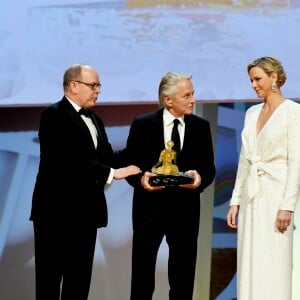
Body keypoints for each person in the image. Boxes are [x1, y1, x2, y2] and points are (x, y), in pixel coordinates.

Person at [29, 64, 141, 300]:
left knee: (78, 285)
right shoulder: (53, 115)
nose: (98, 91)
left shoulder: (95, 119)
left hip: (86, 215)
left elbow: (107, 158)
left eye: (98, 85)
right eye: (93, 85)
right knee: (49, 284)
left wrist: (139, 147)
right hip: (55, 215)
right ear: (73, 86)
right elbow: (69, 161)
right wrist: (112, 174)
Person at [124, 71, 216, 300]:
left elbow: (209, 168)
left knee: (183, 279)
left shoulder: (201, 127)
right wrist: (141, 180)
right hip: (149, 210)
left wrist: (199, 179)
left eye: (192, 94)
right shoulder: (143, 124)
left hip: (186, 212)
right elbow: (131, 165)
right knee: (142, 279)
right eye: (186, 96)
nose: (193, 100)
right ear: (168, 99)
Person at [227, 56, 300, 300]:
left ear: (274, 77)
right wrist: (235, 199)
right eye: (251, 80)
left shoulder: (293, 112)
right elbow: (246, 160)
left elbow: (296, 162)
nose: (253, 85)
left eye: (258, 79)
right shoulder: (251, 112)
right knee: (250, 258)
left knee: (274, 259)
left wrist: (287, 207)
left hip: (276, 194)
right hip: (251, 196)